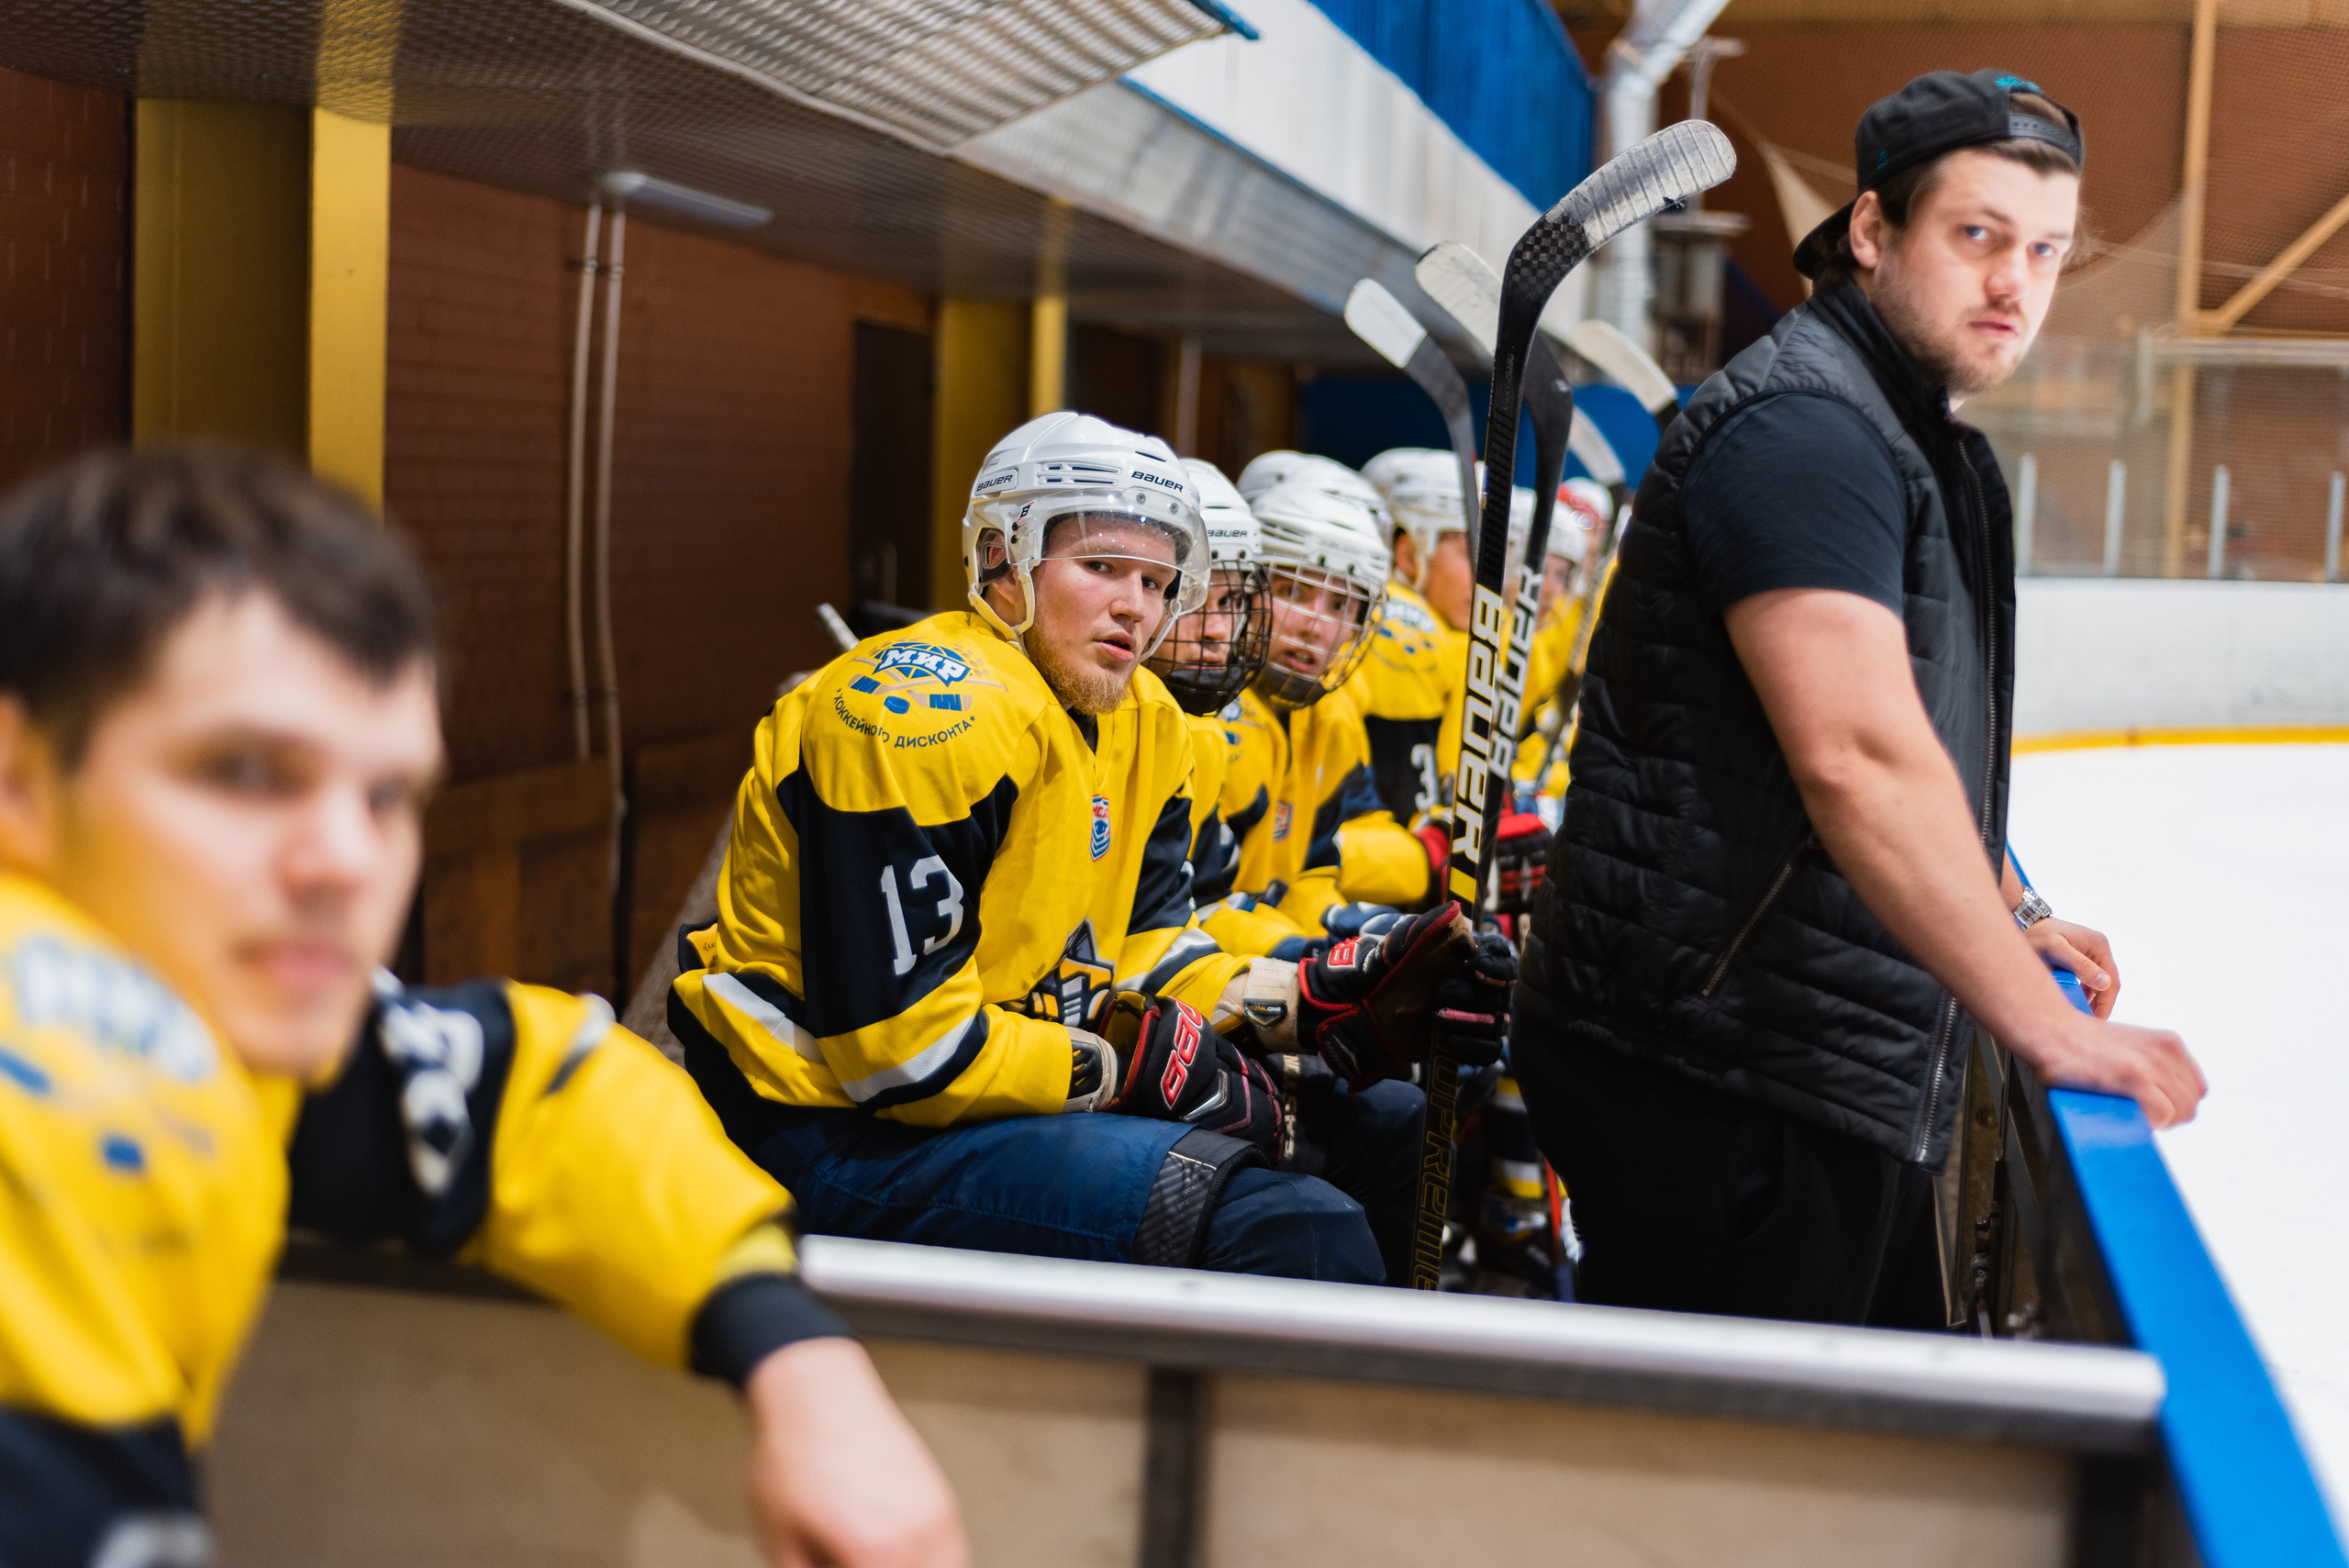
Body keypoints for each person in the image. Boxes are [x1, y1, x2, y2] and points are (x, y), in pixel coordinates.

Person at [0, 445, 965, 1566]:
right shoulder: (74, 1066)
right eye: (248, 771)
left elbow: (537, 1091)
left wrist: (798, 1357)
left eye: (388, 794)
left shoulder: (217, 1028)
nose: (346, 859)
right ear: (20, 775)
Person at [1513, 71, 2206, 1327]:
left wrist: (2004, 907)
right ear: (1874, 231)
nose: (2015, 283)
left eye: (2045, 251)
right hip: (1722, 1073)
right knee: (1739, 1451)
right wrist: (2050, 1033)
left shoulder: (1890, 428)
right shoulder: (1806, 431)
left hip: (1782, 1049)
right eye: (1978, 234)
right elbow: (1858, 756)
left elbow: (1911, 735)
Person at [668, 412, 1509, 1288]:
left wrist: (1310, 995)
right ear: (1001, 557)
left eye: (1157, 580)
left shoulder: (1149, 720)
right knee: (1291, 1229)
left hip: (983, 1078)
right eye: (1102, 566)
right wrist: (1118, 1070)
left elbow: (1151, 947)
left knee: (1390, 1134)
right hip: (826, 1126)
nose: (1136, 606)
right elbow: (899, 1057)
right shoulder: (916, 714)